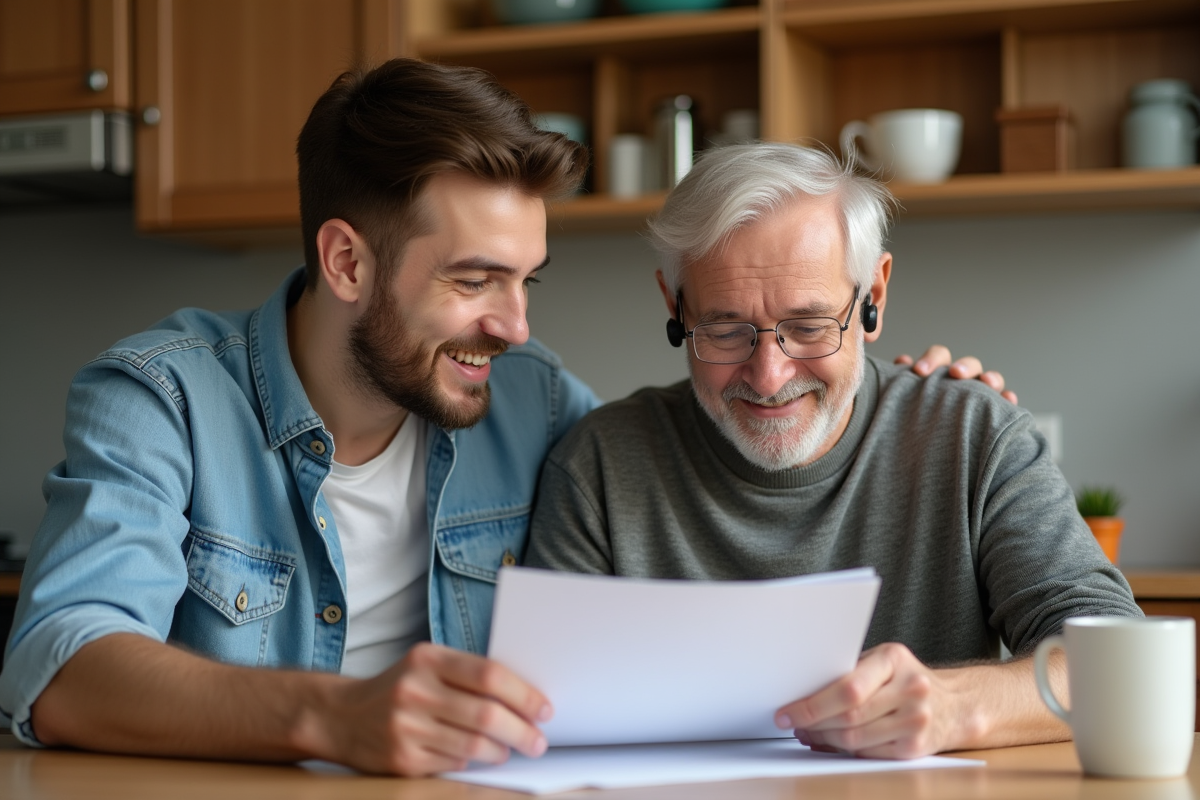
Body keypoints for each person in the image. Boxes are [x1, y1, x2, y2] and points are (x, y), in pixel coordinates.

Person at [0, 59, 1008, 776]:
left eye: (527, 278)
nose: (516, 324)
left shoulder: (533, 404)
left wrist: (883, 387)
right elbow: (62, 662)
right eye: (477, 278)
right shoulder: (161, 397)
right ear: (348, 261)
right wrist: (332, 713)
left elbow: (725, 431)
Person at [525, 142, 1142, 759]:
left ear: (873, 294)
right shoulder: (596, 466)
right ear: (674, 306)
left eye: (809, 326)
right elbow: (544, 714)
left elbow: (1120, 665)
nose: (768, 376)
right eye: (724, 329)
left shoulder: (974, 437)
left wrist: (958, 707)